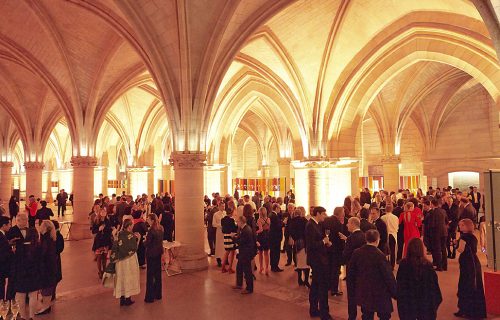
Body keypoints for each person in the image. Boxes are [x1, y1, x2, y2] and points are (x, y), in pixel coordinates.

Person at [347, 229, 396, 320]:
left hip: (363, 291)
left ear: (366, 239)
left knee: (366, 315)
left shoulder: (357, 253)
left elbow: (351, 273)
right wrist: (395, 293)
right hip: (380, 293)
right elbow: (388, 276)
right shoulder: (380, 255)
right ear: (377, 240)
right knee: (384, 316)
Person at [397, 238, 442, 320]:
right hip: (425, 303)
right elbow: (435, 288)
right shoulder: (428, 266)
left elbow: (399, 285)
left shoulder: (403, 265)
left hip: (408, 303)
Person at [9, 213, 40, 320]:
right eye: (23, 220)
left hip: (31, 267)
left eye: (26, 219)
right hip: (19, 267)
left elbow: (37, 246)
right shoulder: (11, 231)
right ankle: (22, 316)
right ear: (17, 220)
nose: (26, 221)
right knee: (20, 294)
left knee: (32, 293)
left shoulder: (32, 230)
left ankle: (32, 316)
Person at [454, 218, 486, 319]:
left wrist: (455, 244)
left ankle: (466, 310)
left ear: (466, 226)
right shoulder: (472, 236)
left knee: (465, 285)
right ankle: (472, 310)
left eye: (461, 225)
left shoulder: (464, 237)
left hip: (467, 264)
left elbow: (460, 250)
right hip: (474, 263)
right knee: (474, 286)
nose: (460, 227)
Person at [306, 206, 332, 320]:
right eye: (323, 214)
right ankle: (324, 314)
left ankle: (314, 310)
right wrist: (323, 241)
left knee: (316, 286)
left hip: (319, 260)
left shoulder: (316, 224)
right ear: (317, 213)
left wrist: (326, 242)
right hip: (317, 261)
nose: (324, 216)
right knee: (322, 287)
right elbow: (311, 245)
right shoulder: (310, 225)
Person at [107, 219, 141, 306]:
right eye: (132, 224)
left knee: (121, 277)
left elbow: (115, 246)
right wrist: (139, 239)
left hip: (120, 261)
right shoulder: (131, 236)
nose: (133, 225)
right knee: (128, 277)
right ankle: (128, 298)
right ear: (129, 226)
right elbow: (135, 248)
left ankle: (122, 299)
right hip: (129, 261)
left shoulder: (119, 234)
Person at [323, 206, 347, 296]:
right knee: (335, 270)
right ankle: (334, 289)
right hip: (336, 250)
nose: (344, 214)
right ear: (339, 213)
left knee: (329, 268)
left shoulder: (327, 219)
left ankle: (328, 286)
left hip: (328, 248)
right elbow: (339, 237)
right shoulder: (337, 222)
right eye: (343, 212)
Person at [36, 220, 58, 315]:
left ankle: (45, 307)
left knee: (46, 288)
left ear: (45, 228)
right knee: (47, 287)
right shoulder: (48, 238)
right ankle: (47, 306)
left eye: (41, 225)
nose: (39, 226)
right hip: (49, 266)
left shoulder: (46, 239)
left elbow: (43, 255)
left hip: (47, 267)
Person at [233, 215, 256, 294]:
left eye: (237, 222)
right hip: (244, 252)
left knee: (247, 271)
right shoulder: (246, 228)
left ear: (241, 222)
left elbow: (241, 241)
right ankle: (239, 284)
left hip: (246, 253)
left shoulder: (246, 230)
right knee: (239, 268)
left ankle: (249, 288)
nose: (237, 223)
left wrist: (234, 238)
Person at [144, 214, 164, 303]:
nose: (147, 220)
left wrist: (143, 241)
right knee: (158, 275)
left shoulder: (151, 230)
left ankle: (150, 297)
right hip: (158, 253)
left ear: (152, 220)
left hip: (151, 254)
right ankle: (158, 294)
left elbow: (147, 243)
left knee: (150, 275)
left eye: (148, 219)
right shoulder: (160, 228)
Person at [288, 207, 310, 287]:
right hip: (304, 243)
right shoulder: (304, 220)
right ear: (300, 213)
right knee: (306, 263)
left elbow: (290, 232)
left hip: (297, 243)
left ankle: (299, 279)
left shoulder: (292, 221)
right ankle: (306, 280)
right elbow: (308, 230)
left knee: (299, 263)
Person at [91, 208, 113, 279]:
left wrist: (107, 229)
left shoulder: (107, 221)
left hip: (106, 240)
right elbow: (93, 231)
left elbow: (110, 230)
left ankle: (104, 270)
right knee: (99, 257)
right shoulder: (97, 221)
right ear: (99, 213)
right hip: (99, 241)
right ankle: (100, 271)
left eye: (104, 211)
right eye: (102, 211)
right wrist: (99, 229)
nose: (103, 213)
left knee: (104, 257)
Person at [427, 199, 448, 271]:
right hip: (444, 232)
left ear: (432, 204)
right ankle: (445, 266)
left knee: (437, 249)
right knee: (444, 249)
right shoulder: (443, 211)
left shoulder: (433, 213)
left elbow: (432, 224)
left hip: (436, 233)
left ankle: (439, 266)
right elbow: (447, 221)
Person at [0, 216, 14, 301]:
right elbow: (3, 253)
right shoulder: (1, 236)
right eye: (9, 224)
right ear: (3, 225)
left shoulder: (2, 235)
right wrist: (12, 251)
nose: (10, 226)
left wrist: (8, 243)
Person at [381, 204, 399, 269]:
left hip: (386, 235)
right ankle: (392, 265)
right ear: (392, 209)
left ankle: (385, 265)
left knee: (385, 250)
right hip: (393, 235)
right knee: (393, 250)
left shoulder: (383, 217)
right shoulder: (396, 217)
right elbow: (397, 227)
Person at [221, 206, 238, 273]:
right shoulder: (231, 220)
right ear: (231, 213)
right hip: (231, 236)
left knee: (226, 252)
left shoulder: (222, 219)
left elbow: (223, 229)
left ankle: (223, 267)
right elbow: (234, 228)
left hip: (225, 236)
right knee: (232, 252)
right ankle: (230, 268)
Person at [52, 220, 64, 301]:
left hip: (54, 258)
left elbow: (60, 248)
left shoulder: (58, 236)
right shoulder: (52, 235)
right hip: (54, 257)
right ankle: (52, 293)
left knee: (54, 275)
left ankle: (52, 293)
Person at [256, 207, 270, 275]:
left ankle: (261, 267)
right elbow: (269, 228)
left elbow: (261, 229)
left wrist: (256, 232)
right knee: (266, 253)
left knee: (260, 253)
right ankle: (267, 268)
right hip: (267, 236)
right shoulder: (268, 219)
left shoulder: (259, 220)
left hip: (261, 237)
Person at [269, 203, 284, 272]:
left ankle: (273, 265)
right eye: (279, 208)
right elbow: (278, 226)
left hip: (272, 237)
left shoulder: (271, 215)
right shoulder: (274, 216)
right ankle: (275, 266)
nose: (280, 209)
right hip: (276, 237)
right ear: (276, 208)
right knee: (276, 252)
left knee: (272, 252)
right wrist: (283, 223)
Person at [212, 202, 226, 267]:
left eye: (224, 206)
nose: (223, 207)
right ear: (219, 206)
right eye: (222, 206)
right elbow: (213, 224)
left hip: (225, 231)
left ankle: (225, 259)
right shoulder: (216, 214)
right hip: (219, 231)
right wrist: (220, 225)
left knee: (224, 245)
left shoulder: (225, 213)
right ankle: (218, 260)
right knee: (219, 246)